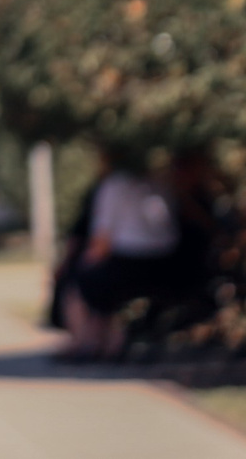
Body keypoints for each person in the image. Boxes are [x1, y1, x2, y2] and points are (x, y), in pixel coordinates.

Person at [55, 147, 182, 361]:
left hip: (128, 260)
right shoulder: (161, 182)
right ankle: (107, 343)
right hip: (167, 262)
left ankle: (85, 343)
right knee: (99, 283)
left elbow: (102, 241)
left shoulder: (113, 185)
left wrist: (75, 265)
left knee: (78, 282)